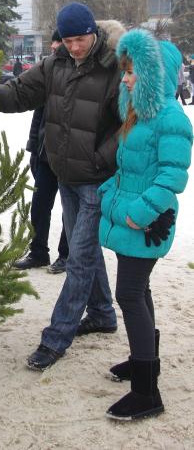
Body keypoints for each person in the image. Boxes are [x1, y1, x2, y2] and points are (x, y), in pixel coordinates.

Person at [0, 3, 125, 371]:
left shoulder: (113, 67)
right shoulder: (55, 66)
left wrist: (103, 158)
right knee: (88, 253)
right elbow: (19, 92)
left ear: (93, 34)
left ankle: (55, 339)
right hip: (66, 176)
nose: (75, 47)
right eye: (68, 41)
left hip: (98, 181)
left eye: (81, 40)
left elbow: (128, 123)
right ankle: (101, 313)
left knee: (79, 259)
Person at [98, 29, 192, 420]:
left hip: (147, 223)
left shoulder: (171, 117)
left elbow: (172, 177)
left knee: (129, 294)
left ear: (153, 75)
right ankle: (145, 360)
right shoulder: (137, 115)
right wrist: (109, 192)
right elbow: (127, 168)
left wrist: (139, 212)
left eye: (132, 71)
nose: (125, 78)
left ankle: (146, 392)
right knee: (139, 290)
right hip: (129, 218)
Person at [14, 29, 68, 274]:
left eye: (60, 47)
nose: (56, 52)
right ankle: (38, 252)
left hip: (71, 158)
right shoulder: (50, 75)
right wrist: (33, 149)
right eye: (55, 48)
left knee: (71, 209)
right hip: (45, 155)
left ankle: (67, 255)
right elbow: (39, 116)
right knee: (39, 205)